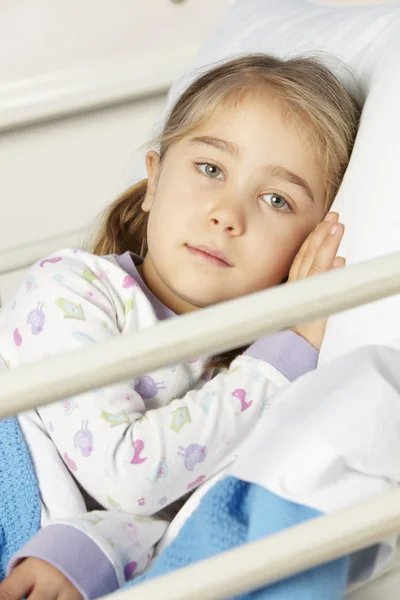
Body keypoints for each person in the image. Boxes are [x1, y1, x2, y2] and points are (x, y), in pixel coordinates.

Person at [0, 54, 361, 599]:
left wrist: (82, 552)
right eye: (211, 169)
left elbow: (172, 511)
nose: (227, 214)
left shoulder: (241, 381)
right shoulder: (70, 289)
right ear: (153, 182)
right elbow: (129, 478)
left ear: (305, 247)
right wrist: (282, 357)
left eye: (276, 200)